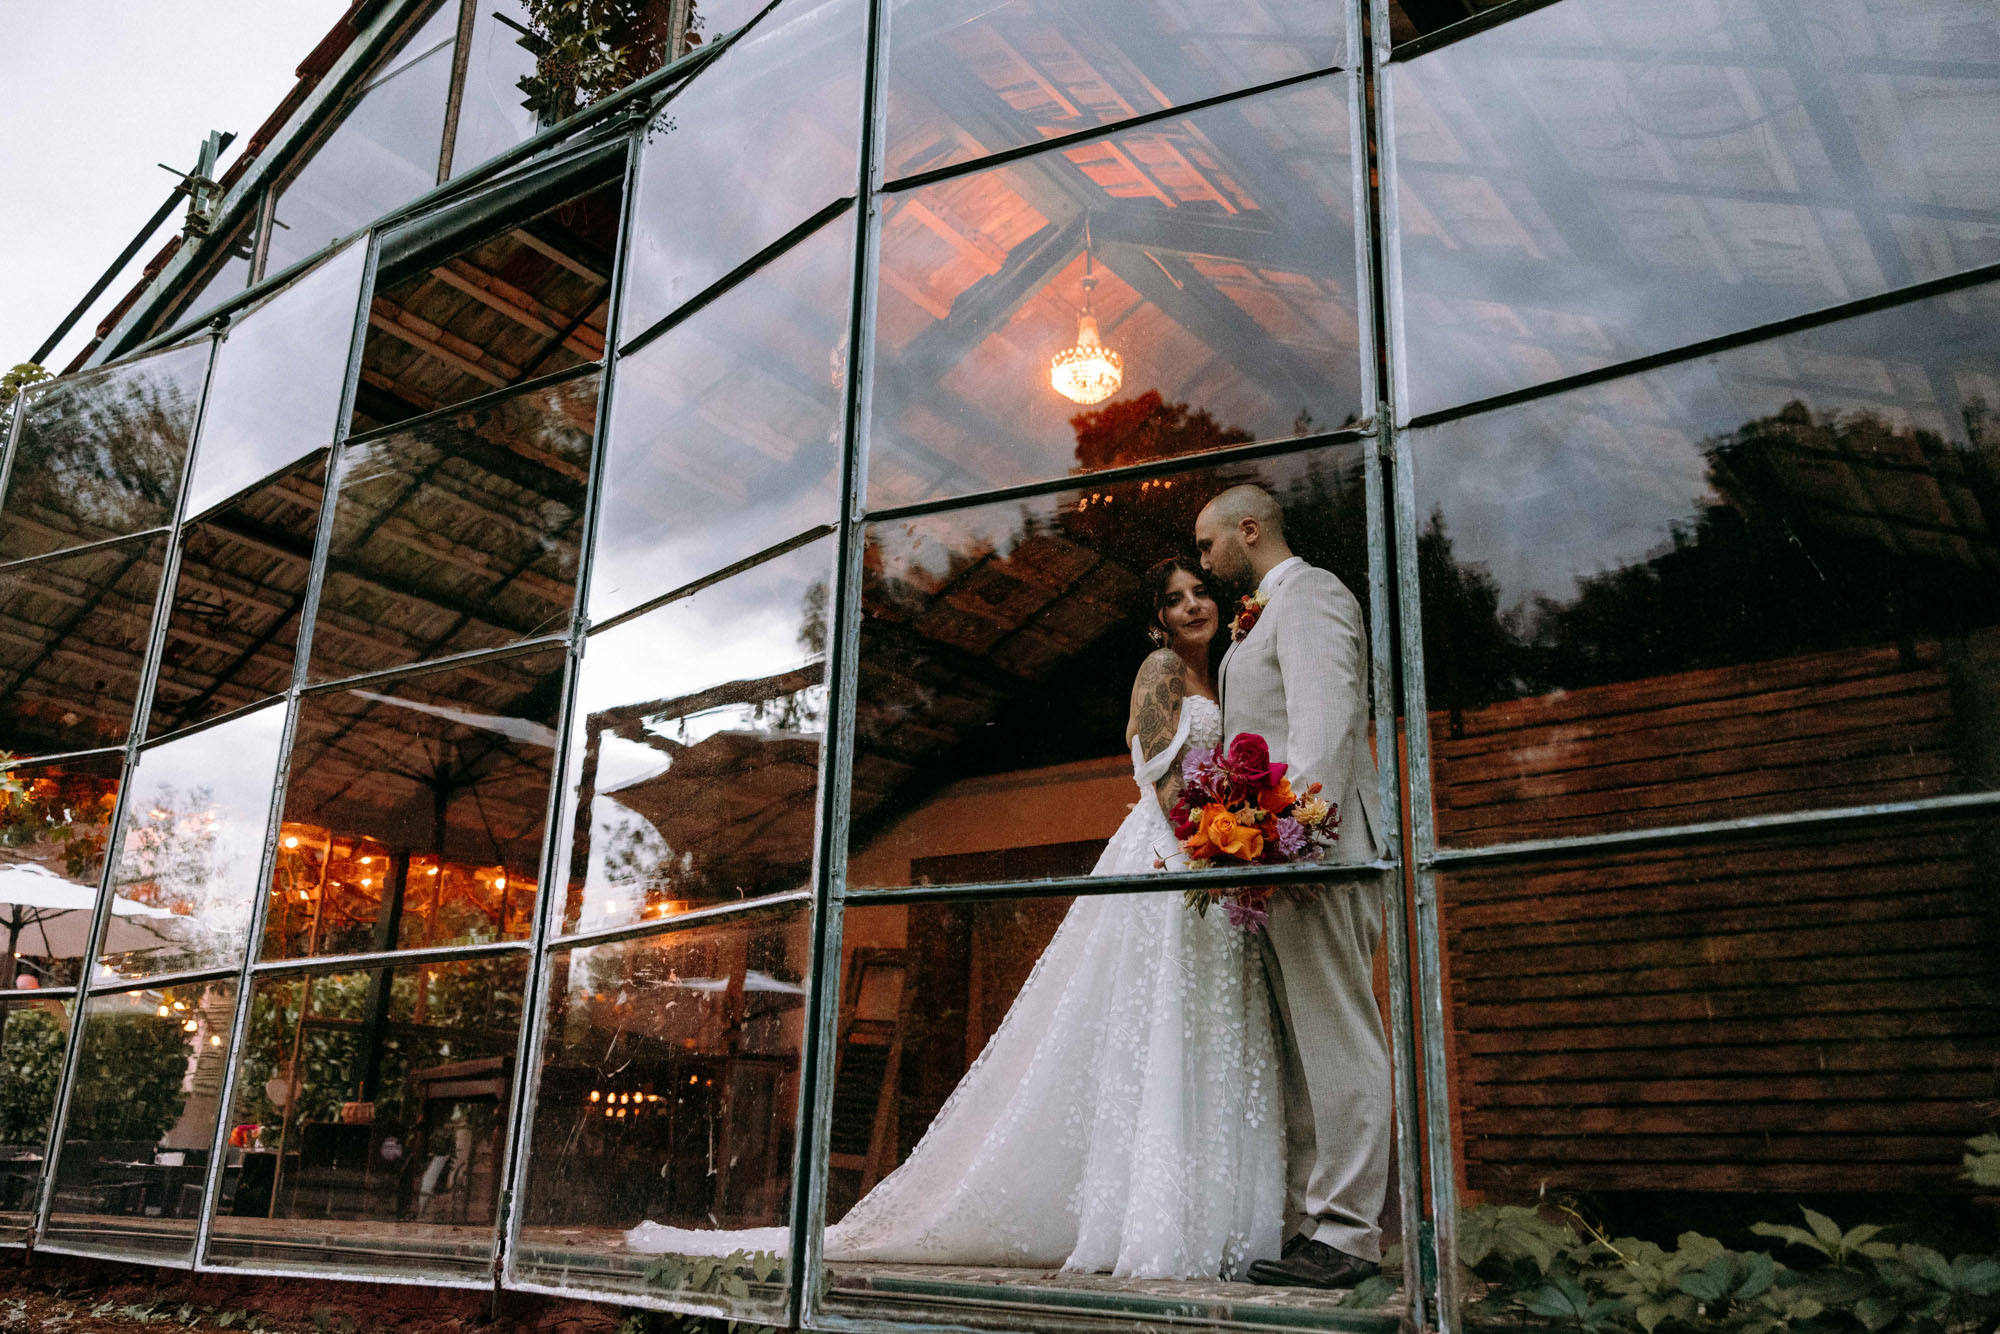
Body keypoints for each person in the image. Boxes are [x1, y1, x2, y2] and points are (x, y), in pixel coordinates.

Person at [626, 559, 1286, 1280]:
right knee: (1151, 1029)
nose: (1194, 606)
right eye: (1175, 599)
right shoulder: (1159, 668)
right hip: (1172, 858)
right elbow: (1158, 778)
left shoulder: (1217, 675)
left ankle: (1199, 1215)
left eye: (1200, 593)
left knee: (1196, 1029)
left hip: (1211, 864)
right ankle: (1144, 1223)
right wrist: (1208, 845)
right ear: (1155, 617)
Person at [1194, 483, 1391, 1290]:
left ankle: (1349, 1233)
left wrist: (1296, 847)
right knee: (1307, 1049)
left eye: (1208, 545)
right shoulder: (1261, 616)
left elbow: (1325, 723)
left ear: (1250, 529)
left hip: (1312, 858)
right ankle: (1320, 1227)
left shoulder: (1313, 596)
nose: (1203, 562)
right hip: (1274, 864)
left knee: (1339, 1036)